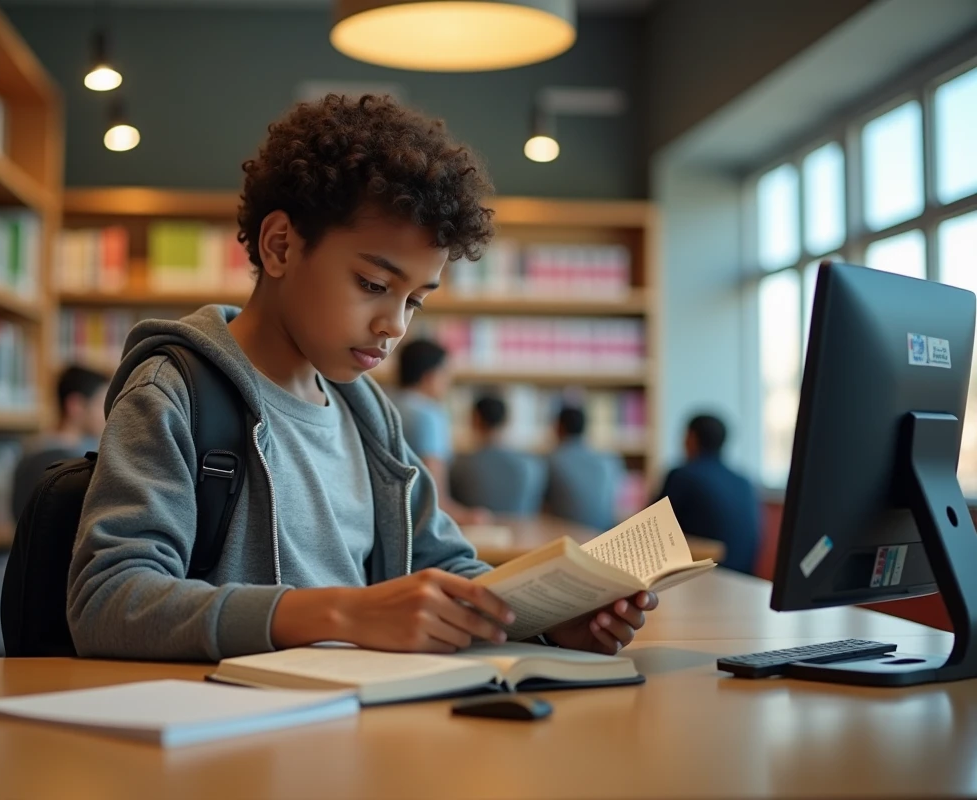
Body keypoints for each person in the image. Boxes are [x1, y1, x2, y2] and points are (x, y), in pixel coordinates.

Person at [67, 94, 656, 663]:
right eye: (374, 285)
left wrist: (547, 622)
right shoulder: (174, 392)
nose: (394, 325)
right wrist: (343, 613)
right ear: (279, 246)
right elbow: (108, 599)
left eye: (415, 301)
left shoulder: (367, 414)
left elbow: (446, 566)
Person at [392, 339, 490, 524]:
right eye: (446, 374)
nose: (448, 382)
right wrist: (469, 517)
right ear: (430, 376)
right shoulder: (429, 414)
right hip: (416, 525)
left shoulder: (383, 404)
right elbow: (435, 498)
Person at [655, 414, 760, 574]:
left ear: (692, 438)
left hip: (704, 579)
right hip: (745, 579)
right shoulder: (744, 481)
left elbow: (650, 526)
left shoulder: (683, 475)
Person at [11, 365, 109, 520]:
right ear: (76, 406)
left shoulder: (32, 449)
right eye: (101, 404)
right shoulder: (63, 464)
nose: (107, 413)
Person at [450, 395, 545, 515]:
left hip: (475, 532)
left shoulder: (459, 466)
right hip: (523, 532)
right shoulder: (532, 466)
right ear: (506, 421)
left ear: (476, 419)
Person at [545, 405, 626, 531]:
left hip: (565, 536)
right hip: (603, 535)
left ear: (559, 427)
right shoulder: (610, 461)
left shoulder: (552, 461)